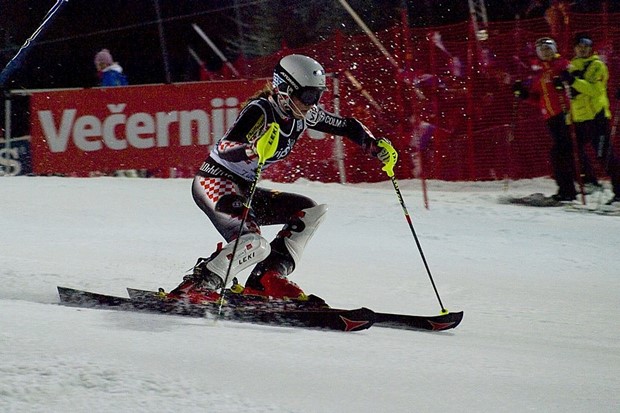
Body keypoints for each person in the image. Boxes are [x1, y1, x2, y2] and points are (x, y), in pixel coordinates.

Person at [169, 54, 397, 303]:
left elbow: (348, 126)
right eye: (309, 96)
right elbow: (224, 148)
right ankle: (197, 286)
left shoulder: (305, 115)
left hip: (244, 188)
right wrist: (252, 150)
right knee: (254, 243)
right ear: (285, 90)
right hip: (215, 182)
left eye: (318, 96)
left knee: (310, 211)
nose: (313, 104)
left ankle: (266, 278)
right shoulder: (261, 111)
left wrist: (374, 146)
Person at [512, 37, 577, 202]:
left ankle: (569, 190)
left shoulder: (562, 64)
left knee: (560, 153)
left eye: (548, 49)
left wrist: (563, 82)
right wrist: (524, 94)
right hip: (550, 117)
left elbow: (573, 83)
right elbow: (537, 97)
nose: (545, 53)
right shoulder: (540, 73)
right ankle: (565, 189)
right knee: (558, 154)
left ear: (554, 50)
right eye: (541, 50)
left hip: (565, 114)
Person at [560, 33, 620, 205]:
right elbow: (572, 96)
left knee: (604, 156)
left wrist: (573, 81)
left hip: (597, 118)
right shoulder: (572, 66)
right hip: (579, 119)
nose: (583, 49)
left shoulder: (597, 65)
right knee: (570, 151)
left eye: (586, 46)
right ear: (575, 48)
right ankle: (589, 182)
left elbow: (594, 90)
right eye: (579, 46)